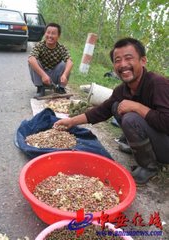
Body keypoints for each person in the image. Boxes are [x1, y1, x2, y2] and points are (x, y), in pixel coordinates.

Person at [54, 37, 169, 184]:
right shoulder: (123, 89)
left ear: (143, 61)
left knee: (130, 118)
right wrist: (71, 121)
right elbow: (102, 110)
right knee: (116, 106)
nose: (123, 65)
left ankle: (149, 167)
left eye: (128, 58)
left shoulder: (158, 84)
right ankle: (140, 150)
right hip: (156, 134)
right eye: (117, 60)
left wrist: (138, 107)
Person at [28, 22, 73, 97]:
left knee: (65, 64)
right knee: (33, 60)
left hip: (54, 78)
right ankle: (40, 88)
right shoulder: (39, 45)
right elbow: (31, 59)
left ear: (58, 36)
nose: (50, 36)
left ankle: (60, 88)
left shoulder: (62, 48)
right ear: (45, 34)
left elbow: (70, 62)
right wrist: (43, 75)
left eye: (53, 33)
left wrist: (65, 75)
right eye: (48, 33)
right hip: (41, 77)